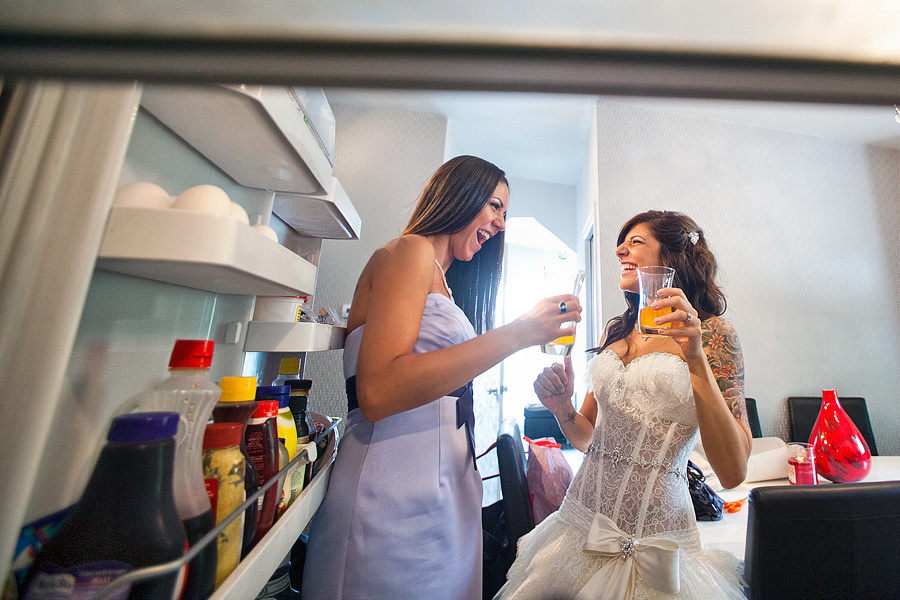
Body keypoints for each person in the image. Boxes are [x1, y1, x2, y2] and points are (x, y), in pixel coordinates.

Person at [301, 155, 582, 600]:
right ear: (458, 194)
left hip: (444, 492)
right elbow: (377, 390)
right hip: (394, 492)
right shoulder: (409, 251)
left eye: (504, 212)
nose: (501, 223)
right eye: (494, 205)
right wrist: (519, 333)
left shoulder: (444, 281)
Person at [498, 210, 751, 600]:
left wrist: (695, 355)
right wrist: (561, 408)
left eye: (635, 242)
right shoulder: (616, 330)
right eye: (621, 242)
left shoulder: (714, 334)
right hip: (580, 525)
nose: (619, 250)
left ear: (673, 257)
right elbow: (589, 439)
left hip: (660, 540)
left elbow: (732, 473)